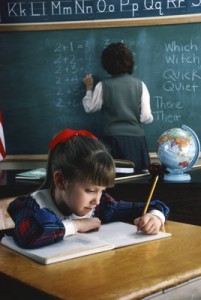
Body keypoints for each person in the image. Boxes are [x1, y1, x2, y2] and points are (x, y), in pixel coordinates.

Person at [7, 128, 169, 249]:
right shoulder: (29, 205)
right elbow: (29, 235)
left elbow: (155, 205)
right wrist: (76, 225)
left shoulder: (102, 205)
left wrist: (155, 217)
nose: (97, 200)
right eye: (90, 190)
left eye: (102, 191)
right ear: (60, 181)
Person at [82, 42, 153, 174]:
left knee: (113, 179)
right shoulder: (140, 85)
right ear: (130, 61)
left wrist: (89, 88)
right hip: (136, 141)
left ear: (106, 64)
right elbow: (146, 117)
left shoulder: (103, 85)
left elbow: (90, 108)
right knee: (138, 180)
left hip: (112, 139)